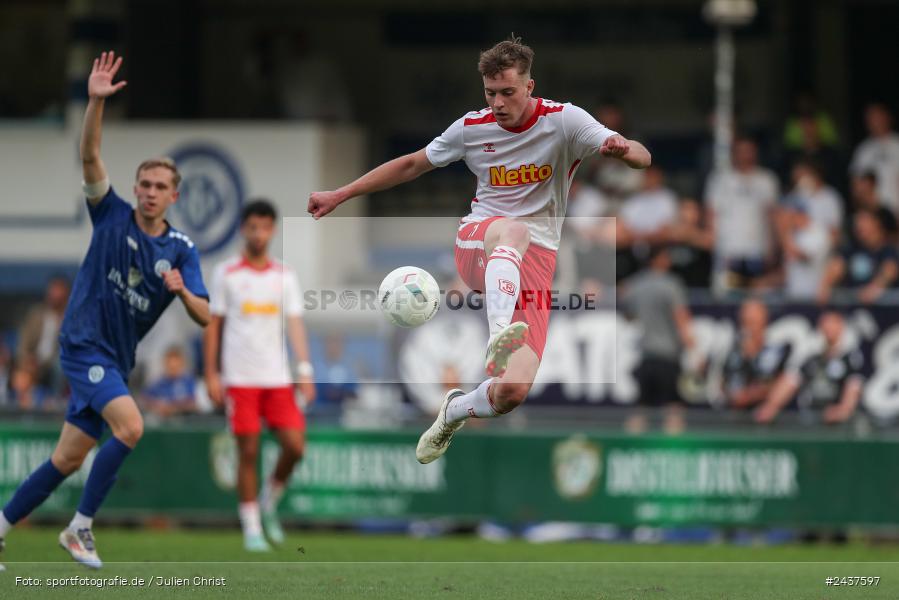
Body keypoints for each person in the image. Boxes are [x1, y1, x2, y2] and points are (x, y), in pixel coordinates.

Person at [308, 37, 650, 463]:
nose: (498, 103)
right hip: (479, 242)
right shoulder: (472, 128)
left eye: (508, 92)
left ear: (529, 86)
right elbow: (412, 164)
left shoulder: (564, 121)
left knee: (512, 391)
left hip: (535, 263)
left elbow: (641, 155)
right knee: (514, 231)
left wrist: (625, 152)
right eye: (491, 93)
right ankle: (499, 332)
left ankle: (454, 410)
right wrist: (341, 193)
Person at [0, 52, 210, 569]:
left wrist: (184, 293)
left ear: (175, 195)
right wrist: (94, 102)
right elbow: (91, 155)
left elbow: (205, 315)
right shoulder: (111, 214)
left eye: (160, 187)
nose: (150, 193)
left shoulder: (181, 250)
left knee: (67, 457)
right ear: (135, 189)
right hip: (82, 343)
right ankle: (80, 528)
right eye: (145, 185)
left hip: (116, 358)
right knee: (131, 427)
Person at [204, 199, 316, 552]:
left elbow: (295, 323)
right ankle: (251, 527)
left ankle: (269, 502)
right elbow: (213, 325)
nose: (258, 234)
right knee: (248, 451)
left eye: (265, 227)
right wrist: (211, 373)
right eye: (253, 227)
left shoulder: (284, 275)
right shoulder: (226, 273)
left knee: (295, 447)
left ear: (273, 230)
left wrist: (304, 369)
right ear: (243, 229)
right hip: (240, 379)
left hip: (277, 379)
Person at [620, 245, 694, 434]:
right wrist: (693, 348)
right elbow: (681, 317)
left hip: (646, 354)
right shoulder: (671, 284)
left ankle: (627, 446)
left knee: (640, 409)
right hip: (668, 355)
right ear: (659, 259)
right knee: (674, 409)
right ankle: (674, 448)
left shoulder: (635, 284)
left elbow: (627, 313)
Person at [755, 311, 863, 425]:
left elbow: (854, 385)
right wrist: (771, 406)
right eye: (825, 324)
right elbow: (791, 379)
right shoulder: (810, 352)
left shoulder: (850, 354)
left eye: (832, 324)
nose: (828, 328)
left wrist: (843, 409)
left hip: (839, 421)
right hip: (810, 416)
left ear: (841, 326)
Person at [704, 137, 780, 291]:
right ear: (734, 153)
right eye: (741, 151)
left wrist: (773, 247)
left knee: (757, 295)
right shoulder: (720, 179)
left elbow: (772, 215)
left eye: (749, 151)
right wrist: (713, 243)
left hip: (758, 251)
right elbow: (711, 213)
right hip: (728, 251)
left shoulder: (766, 180)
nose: (745, 155)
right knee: (728, 294)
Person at [817, 209, 899, 305]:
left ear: (876, 223)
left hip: (882, 307)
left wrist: (875, 288)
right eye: (857, 222)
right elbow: (836, 267)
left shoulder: (887, 249)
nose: (859, 225)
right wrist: (825, 286)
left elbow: (890, 270)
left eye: (864, 221)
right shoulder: (851, 249)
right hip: (853, 306)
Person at [12, 276, 70, 409]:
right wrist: (26, 358)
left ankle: (54, 402)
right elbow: (24, 340)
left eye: (59, 292)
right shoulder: (36, 314)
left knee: (58, 367)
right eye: (53, 291)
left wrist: (62, 324)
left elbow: (67, 347)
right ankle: (20, 406)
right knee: (21, 373)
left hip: (53, 362)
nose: (56, 295)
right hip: (33, 359)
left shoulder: (69, 318)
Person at [721, 299, 789, 410]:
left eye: (753, 322)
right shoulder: (733, 351)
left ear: (764, 322)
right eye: (745, 322)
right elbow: (727, 385)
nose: (748, 328)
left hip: (772, 414)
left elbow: (780, 382)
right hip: (735, 414)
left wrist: (752, 394)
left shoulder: (778, 349)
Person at [849, 103, 899, 212]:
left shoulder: (896, 145)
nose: (875, 122)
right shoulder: (863, 150)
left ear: (887, 117)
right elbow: (856, 184)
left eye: (878, 117)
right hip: (872, 213)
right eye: (870, 118)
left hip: (895, 209)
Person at [140, 346, 197, 419]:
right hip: (162, 420)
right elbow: (144, 399)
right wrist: (156, 405)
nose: (173, 370)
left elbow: (193, 403)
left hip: (184, 420)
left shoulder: (189, 382)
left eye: (175, 367)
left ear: (182, 364)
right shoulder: (159, 383)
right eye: (170, 367)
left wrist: (173, 408)